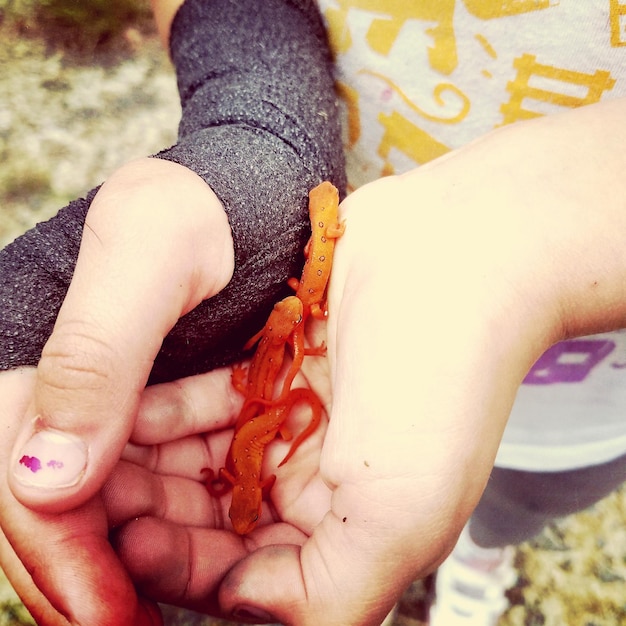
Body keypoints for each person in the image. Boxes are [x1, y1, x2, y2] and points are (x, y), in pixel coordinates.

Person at [2, 2, 626, 626]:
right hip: (360, 325)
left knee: (511, 509)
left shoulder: (234, 475)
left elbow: (264, 407)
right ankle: (458, 560)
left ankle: (482, 557)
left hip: (584, 413)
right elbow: (265, 408)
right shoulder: (237, 479)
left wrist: (541, 238)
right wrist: (264, 124)